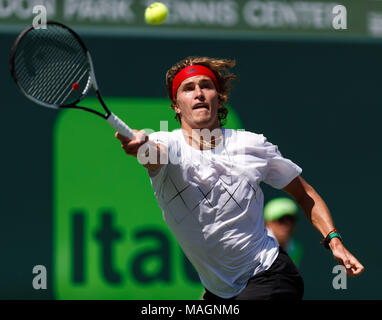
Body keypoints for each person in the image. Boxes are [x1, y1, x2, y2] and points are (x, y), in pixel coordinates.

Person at [115, 56, 364, 300]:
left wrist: (334, 241)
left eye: (206, 86)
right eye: (188, 88)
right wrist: (141, 144)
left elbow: (304, 193)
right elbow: (151, 151)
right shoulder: (165, 145)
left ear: (219, 97)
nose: (199, 93)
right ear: (176, 105)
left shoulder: (252, 145)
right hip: (219, 292)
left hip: (269, 274)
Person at [263, 197, 304, 266]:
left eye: (291, 220)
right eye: (281, 220)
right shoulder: (256, 246)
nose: (287, 225)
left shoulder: (295, 249)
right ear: (268, 223)